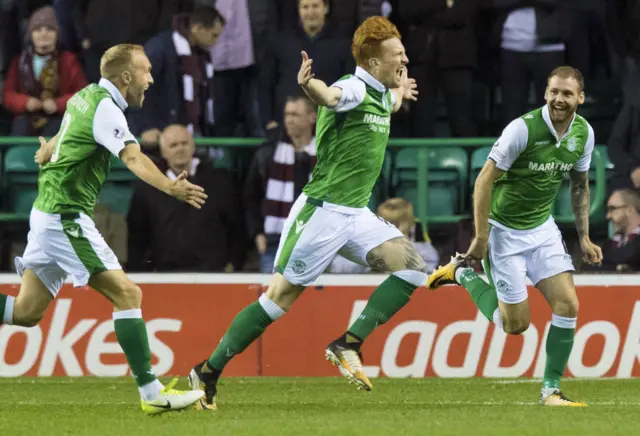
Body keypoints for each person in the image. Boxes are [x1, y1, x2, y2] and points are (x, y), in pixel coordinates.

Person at [188, 16, 420, 411]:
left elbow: (392, 102)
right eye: (397, 54)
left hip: (356, 214)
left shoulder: (382, 91)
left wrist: (400, 90)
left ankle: (348, 343)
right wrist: (306, 83)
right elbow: (328, 97)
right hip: (322, 214)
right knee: (278, 299)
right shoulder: (353, 87)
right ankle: (207, 371)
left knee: (413, 267)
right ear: (372, 61)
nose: (405, 58)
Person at [0, 44, 208, 416]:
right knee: (128, 294)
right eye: (145, 71)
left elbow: (69, 133)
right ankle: (151, 392)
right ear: (126, 77)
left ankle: (151, 392)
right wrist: (170, 187)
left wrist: (53, 150)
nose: (151, 78)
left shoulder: (85, 95)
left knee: (26, 312)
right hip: (65, 217)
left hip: (46, 212)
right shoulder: (106, 108)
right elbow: (131, 156)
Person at [427, 66, 603, 407]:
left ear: (580, 98)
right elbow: (483, 181)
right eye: (553, 91)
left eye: (567, 93)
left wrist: (584, 237)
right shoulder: (521, 130)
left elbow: (579, 185)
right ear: (545, 93)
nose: (559, 99)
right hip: (503, 234)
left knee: (568, 304)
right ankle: (461, 274)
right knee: (515, 326)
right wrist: (481, 239)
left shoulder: (584, 133)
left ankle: (550, 391)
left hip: (542, 230)